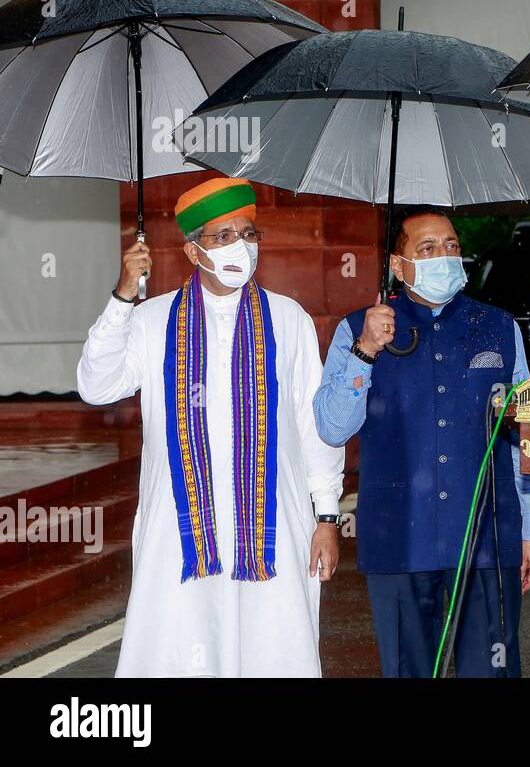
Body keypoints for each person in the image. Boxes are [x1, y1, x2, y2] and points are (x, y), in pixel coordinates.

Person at [76, 177, 345, 677]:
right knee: (178, 647)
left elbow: (315, 428)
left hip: (274, 527)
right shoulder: (152, 320)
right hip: (178, 531)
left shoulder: (289, 320)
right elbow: (96, 384)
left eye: (248, 233)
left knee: (274, 646)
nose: (239, 246)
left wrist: (326, 517)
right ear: (192, 250)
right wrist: (121, 297)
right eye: (222, 237)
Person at [313, 206, 530, 678]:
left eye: (452, 247)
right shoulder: (357, 328)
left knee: (493, 670)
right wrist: (366, 351)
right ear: (398, 266)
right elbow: (332, 427)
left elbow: (529, 433)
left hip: (487, 534)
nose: (444, 256)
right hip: (400, 537)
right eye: (427, 248)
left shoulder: (499, 328)